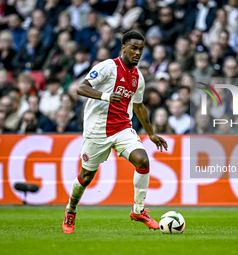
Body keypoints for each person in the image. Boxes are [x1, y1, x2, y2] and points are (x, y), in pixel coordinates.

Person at [62, 31, 168, 234]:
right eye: (134, 48)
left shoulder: (138, 77)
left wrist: (151, 133)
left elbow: (138, 106)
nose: (138, 53)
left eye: (141, 49)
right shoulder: (107, 67)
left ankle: (138, 210)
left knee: (143, 161)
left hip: (122, 128)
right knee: (86, 177)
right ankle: (71, 210)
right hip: (97, 131)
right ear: (124, 48)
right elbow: (81, 88)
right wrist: (106, 96)